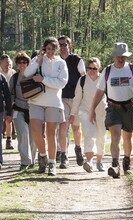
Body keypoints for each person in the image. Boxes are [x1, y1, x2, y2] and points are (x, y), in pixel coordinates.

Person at [89, 42, 133, 178]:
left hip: (129, 107)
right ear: (114, 57)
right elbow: (100, 92)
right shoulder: (108, 71)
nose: (121, 59)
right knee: (115, 136)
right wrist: (92, 109)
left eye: (124, 56)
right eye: (119, 57)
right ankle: (115, 165)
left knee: (127, 137)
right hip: (113, 108)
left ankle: (126, 163)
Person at [24, 37, 68, 176]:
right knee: (36, 131)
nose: (49, 52)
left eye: (52, 49)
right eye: (47, 49)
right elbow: (26, 73)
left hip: (53, 102)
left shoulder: (61, 63)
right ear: (44, 48)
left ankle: (52, 163)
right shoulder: (38, 60)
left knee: (50, 134)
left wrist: (43, 80)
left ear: (57, 49)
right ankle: (42, 155)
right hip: (36, 101)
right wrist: (39, 58)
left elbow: (61, 83)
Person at [69, 57, 106, 173]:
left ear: (99, 68)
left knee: (101, 137)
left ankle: (99, 161)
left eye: (94, 68)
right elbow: (77, 98)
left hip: (101, 112)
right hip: (85, 111)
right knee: (89, 135)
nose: (92, 70)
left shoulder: (104, 79)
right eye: (89, 68)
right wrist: (73, 113)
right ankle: (89, 161)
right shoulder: (82, 80)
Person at [57, 35, 86, 169]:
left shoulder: (76, 60)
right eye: (60, 45)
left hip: (76, 98)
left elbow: (84, 78)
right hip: (61, 98)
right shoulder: (55, 61)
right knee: (63, 127)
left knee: (75, 127)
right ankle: (64, 155)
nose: (62, 47)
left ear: (70, 45)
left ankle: (78, 149)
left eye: (64, 44)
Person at [9, 51, 37, 170]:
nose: (22, 64)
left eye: (24, 62)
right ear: (16, 64)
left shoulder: (33, 76)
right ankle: (25, 162)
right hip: (18, 110)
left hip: (33, 109)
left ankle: (32, 161)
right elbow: (10, 95)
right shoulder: (14, 78)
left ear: (28, 63)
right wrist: (8, 112)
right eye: (19, 62)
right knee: (23, 134)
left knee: (33, 137)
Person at [0, 54, 17, 149]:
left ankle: (9, 141)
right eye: (6, 62)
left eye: (9, 62)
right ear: (1, 62)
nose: (8, 63)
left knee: (9, 120)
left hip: (10, 99)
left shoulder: (13, 72)